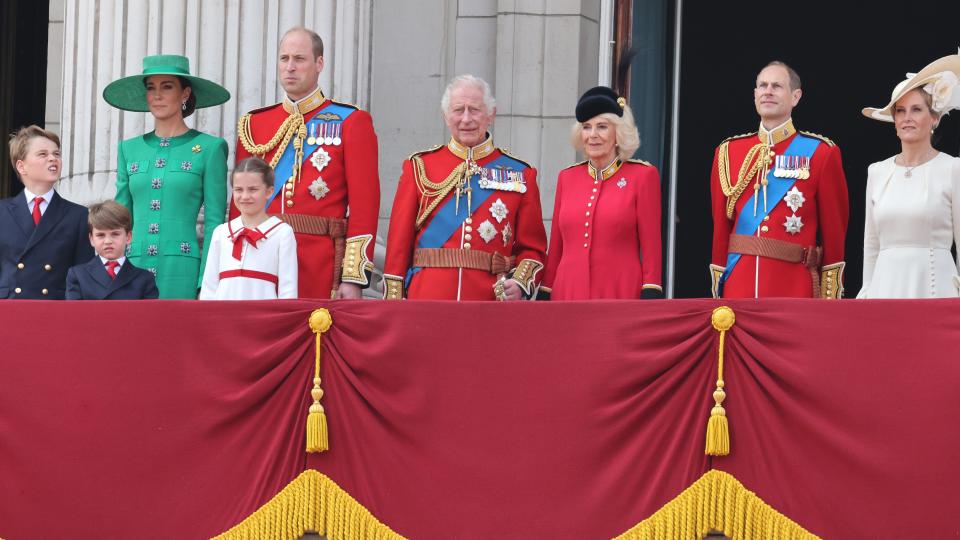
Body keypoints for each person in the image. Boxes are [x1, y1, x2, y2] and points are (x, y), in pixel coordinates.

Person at [234, 27, 379, 300]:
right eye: (284, 58)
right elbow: (239, 203)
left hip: (318, 262)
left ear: (319, 64)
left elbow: (364, 206)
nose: (290, 67)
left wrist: (353, 277)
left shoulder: (351, 121)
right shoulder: (255, 124)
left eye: (299, 59)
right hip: (258, 257)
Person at [382, 74, 548, 301]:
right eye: (458, 110)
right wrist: (393, 302)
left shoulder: (521, 174)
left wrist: (519, 283)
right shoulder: (419, 167)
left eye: (475, 110)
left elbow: (534, 248)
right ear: (445, 116)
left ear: (491, 114)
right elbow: (398, 245)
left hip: (489, 302)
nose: (466, 119)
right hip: (427, 299)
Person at [709, 61, 849, 299]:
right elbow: (720, 231)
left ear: (795, 97)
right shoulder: (728, 152)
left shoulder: (821, 153)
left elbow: (834, 234)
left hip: (793, 288)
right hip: (738, 284)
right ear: (754, 95)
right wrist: (719, 286)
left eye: (777, 86)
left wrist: (829, 297)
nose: (768, 91)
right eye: (762, 85)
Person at [103, 54, 230, 299]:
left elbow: (215, 223)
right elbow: (118, 218)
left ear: (185, 93)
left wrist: (207, 279)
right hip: (133, 268)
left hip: (183, 271)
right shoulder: (128, 149)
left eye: (167, 86)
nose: (157, 95)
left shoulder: (209, 148)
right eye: (151, 88)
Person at [541, 86, 662, 300]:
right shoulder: (567, 178)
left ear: (618, 133)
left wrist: (651, 289)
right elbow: (557, 247)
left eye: (602, 127)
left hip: (620, 292)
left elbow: (652, 246)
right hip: (567, 293)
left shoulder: (642, 176)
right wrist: (546, 291)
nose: (593, 135)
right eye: (586, 127)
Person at [858, 53, 960, 298]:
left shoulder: (953, 168)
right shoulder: (877, 171)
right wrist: (867, 291)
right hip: (885, 291)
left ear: (934, 118)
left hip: (937, 292)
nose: (907, 118)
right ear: (893, 120)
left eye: (916, 109)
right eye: (900, 111)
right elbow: (871, 245)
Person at [0, 126, 93, 299]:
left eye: (56, 154)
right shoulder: (2, 212)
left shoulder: (78, 215)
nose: (53, 159)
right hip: (8, 311)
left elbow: (82, 278)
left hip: (54, 312)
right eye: (43, 154)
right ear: (21, 166)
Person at [200, 157, 298, 300]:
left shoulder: (282, 232)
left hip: (263, 317)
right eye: (239, 190)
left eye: (253, 189)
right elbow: (209, 286)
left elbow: (288, 289)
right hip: (222, 317)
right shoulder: (221, 232)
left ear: (269, 192)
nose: (245, 196)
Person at [66, 201, 159, 300]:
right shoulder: (78, 275)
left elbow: (150, 314)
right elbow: (74, 314)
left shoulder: (144, 279)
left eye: (115, 234)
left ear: (128, 236)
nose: (108, 241)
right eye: (100, 235)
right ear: (91, 239)